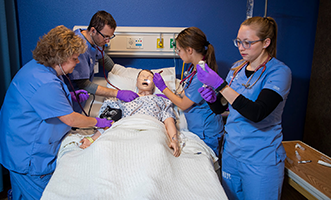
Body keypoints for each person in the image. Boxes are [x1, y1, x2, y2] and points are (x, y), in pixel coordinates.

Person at [0, 25, 114, 199]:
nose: (77, 62)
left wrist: (69, 96)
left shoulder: (39, 68)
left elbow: (42, 101)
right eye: (74, 58)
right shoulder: (45, 82)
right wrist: (98, 122)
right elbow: (70, 119)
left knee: (21, 193)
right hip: (27, 153)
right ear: (60, 58)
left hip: (15, 142)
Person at [197, 16, 292, 199]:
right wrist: (212, 99)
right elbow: (221, 108)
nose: (241, 47)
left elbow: (257, 113)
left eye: (248, 43)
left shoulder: (279, 72)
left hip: (260, 159)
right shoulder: (236, 69)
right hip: (232, 155)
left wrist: (221, 86)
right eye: (239, 42)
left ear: (266, 42)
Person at [152, 27, 224, 156]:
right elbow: (186, 93)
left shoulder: (202, 75)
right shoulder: (193, 69)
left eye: (179, 50)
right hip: (196, 129)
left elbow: (184, 104)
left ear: (189, 50)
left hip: (206, 132)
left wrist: (163, 88)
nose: (178, 53)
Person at [80, 69, 181, 157]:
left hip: (151, 130)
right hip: (124, 129)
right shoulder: (123, 99)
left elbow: (169, 122)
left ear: (154, 84)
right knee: (105, 146)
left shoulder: (161, 101)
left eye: (149, 77)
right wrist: (93, 138)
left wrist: (174, 140)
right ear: (136, 83)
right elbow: (109, 121)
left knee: (156, 149)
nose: (146, 77)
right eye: (142, 76)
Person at [68, 10, 138, 111]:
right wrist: (118, 94)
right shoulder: (78, 48)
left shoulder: (93, 40)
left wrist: (124, 74)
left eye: (110, 37)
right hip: (71, 100)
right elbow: (84, 84)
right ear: (93, 30)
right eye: (105, 37)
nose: (107, 41)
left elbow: (103, 59)